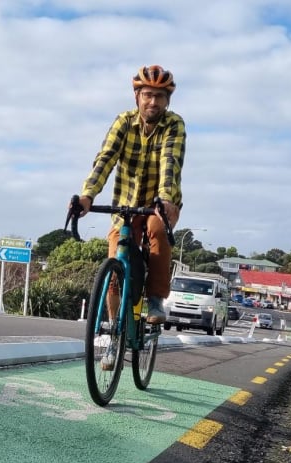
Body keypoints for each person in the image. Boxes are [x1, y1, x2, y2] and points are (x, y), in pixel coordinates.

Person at [74, 64, 186, 333]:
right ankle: (114, 330)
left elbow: (169, 164)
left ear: (167, 101)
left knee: (157, 231)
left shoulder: (174, 124)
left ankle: (157, 300)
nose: (153, 101)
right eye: (148, 94)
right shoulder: (123, 122)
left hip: (161, 205)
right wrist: (87, 196)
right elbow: (106, 159)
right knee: (116, 261)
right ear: (137, 97)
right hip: (125, 204)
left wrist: (165, 199)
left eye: (159, 96)